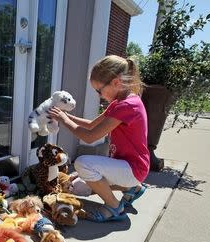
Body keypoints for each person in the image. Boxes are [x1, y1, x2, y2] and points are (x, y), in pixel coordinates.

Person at [49, 55, 149, 222]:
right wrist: (66, 116)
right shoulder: (121, 101)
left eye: (99, 90)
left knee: (82, 164)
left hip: (133, 168)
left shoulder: (127, 106)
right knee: (79, 187)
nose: (99, 95)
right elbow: (91, 125)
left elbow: (90, 137)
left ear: (116, 82)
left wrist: (64, 120)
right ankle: (133, 188)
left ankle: (114, 207)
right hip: (131, 166)